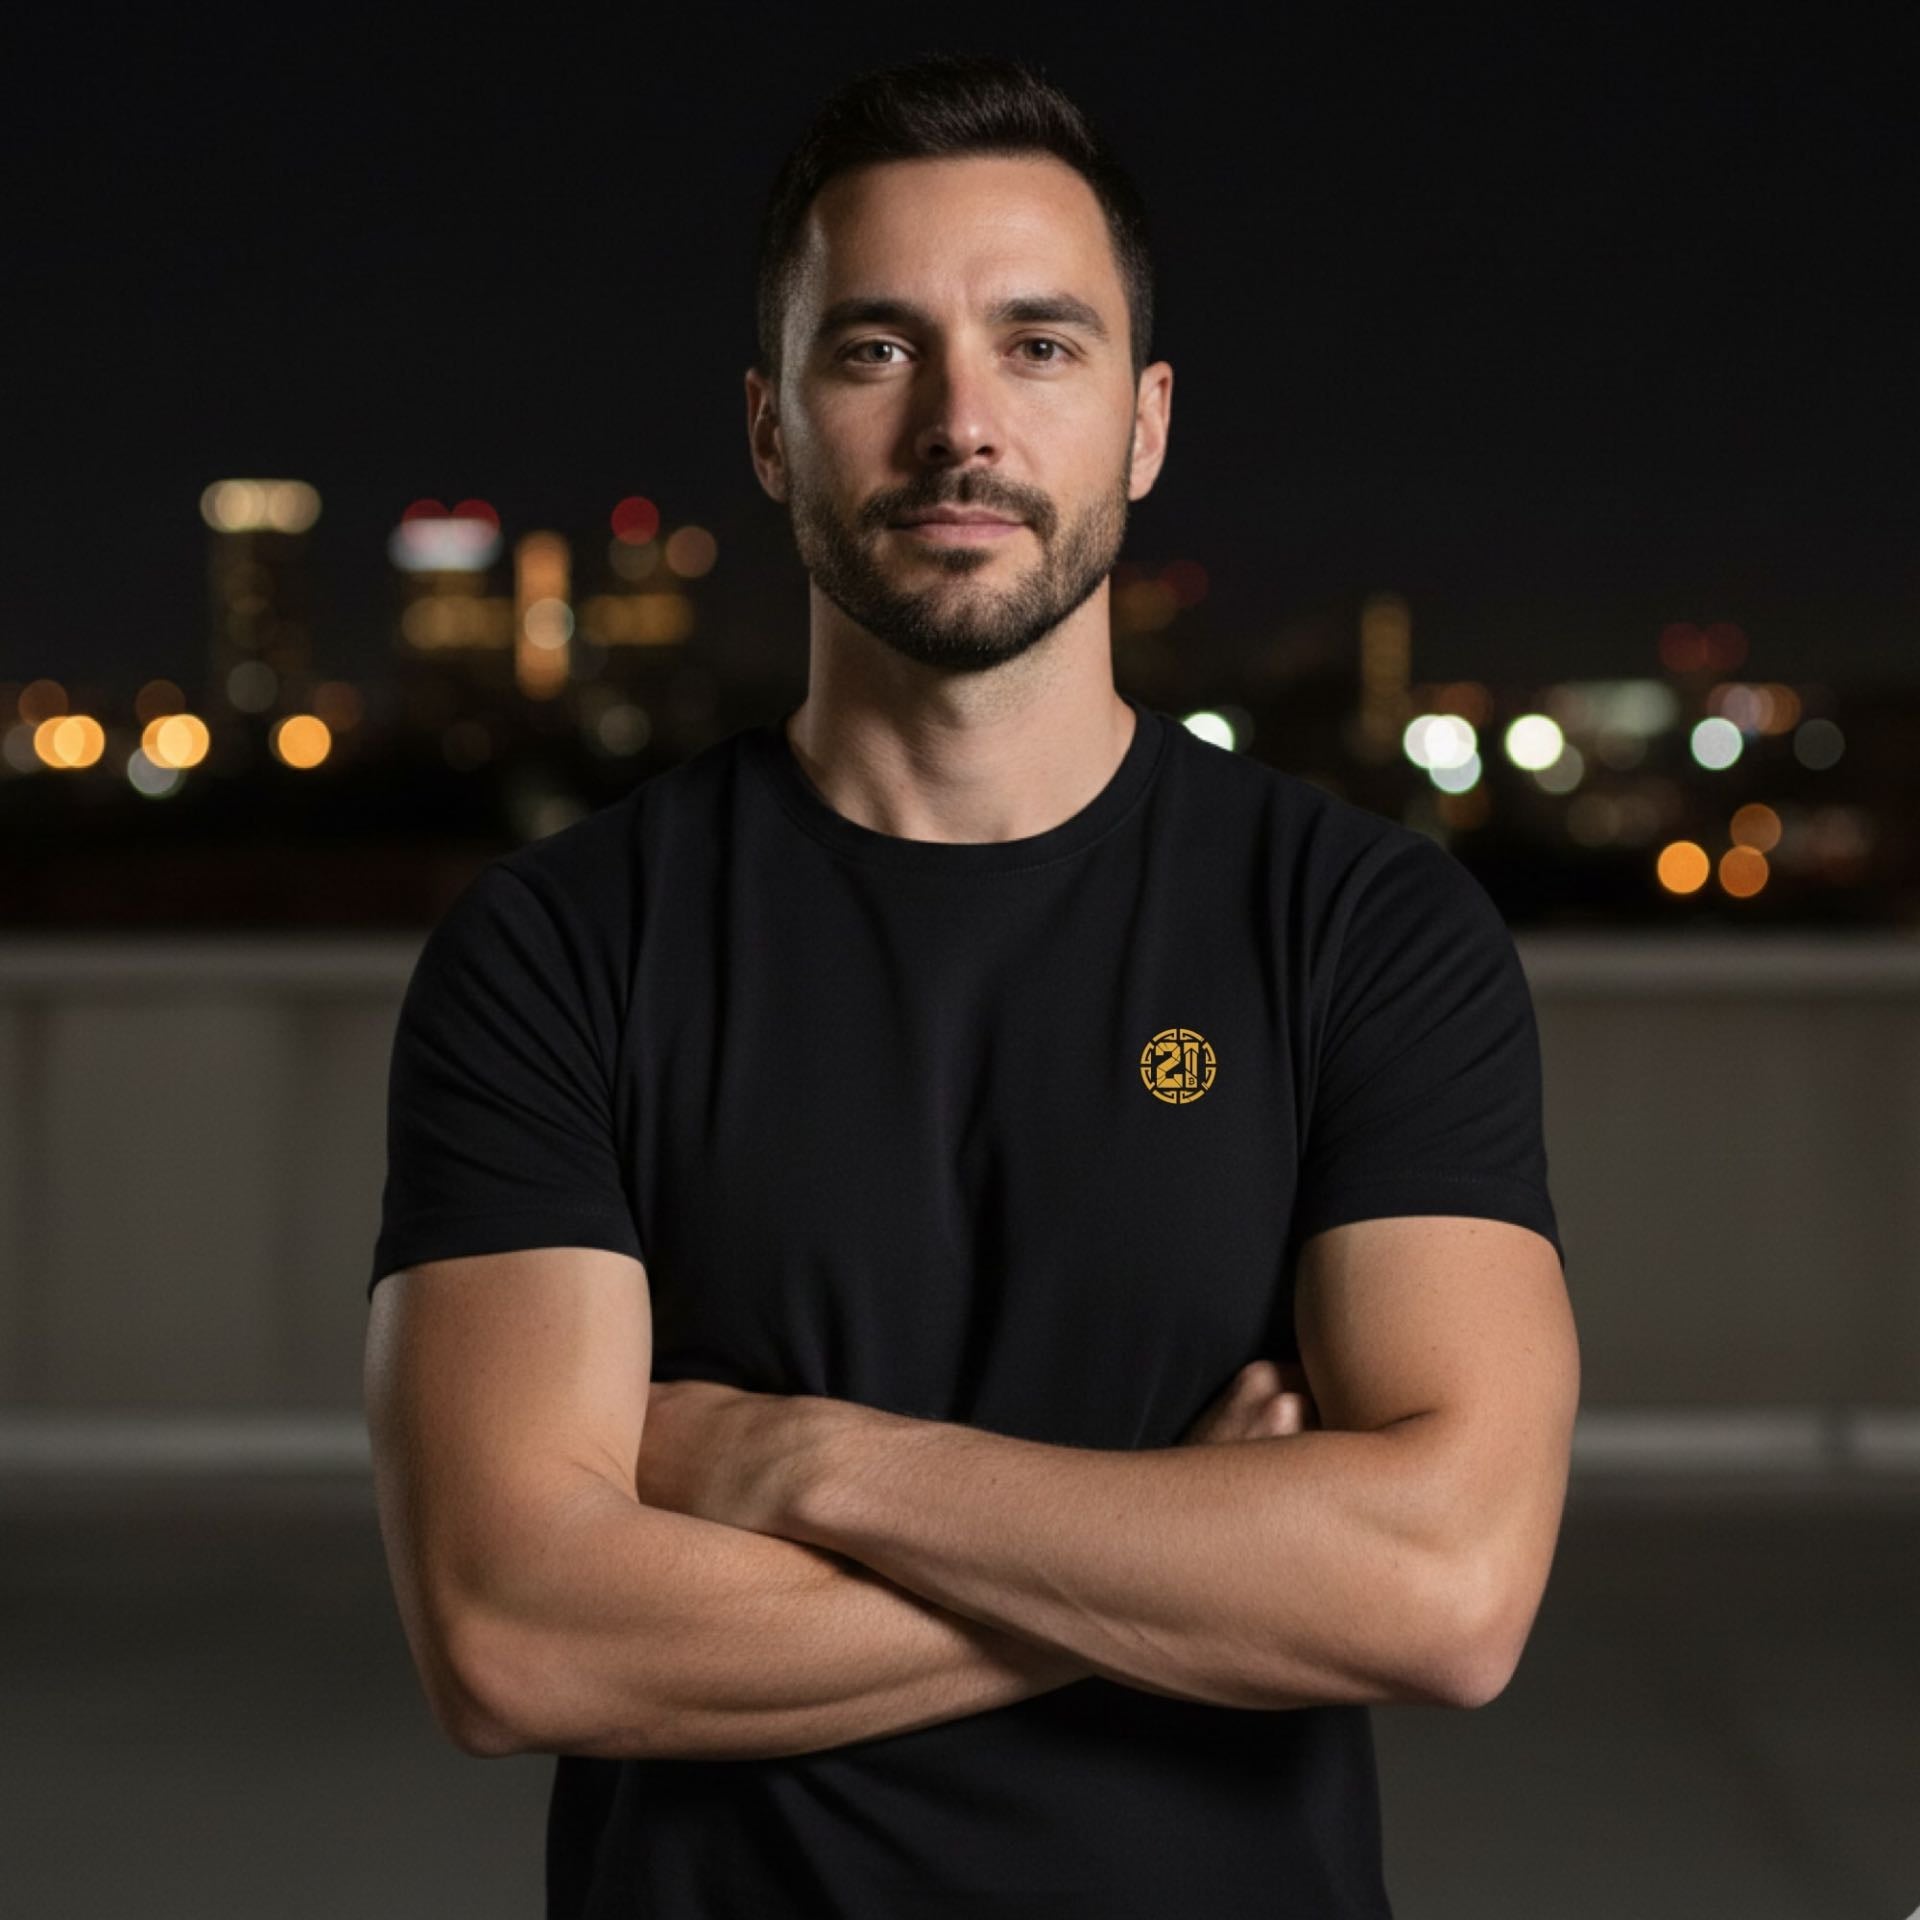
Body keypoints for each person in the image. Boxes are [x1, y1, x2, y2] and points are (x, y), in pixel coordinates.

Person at [364, 50, 1581, 1920]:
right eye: (873, 350)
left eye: (1040, 344)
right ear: (771, 427)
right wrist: (1182, 1544)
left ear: (1145, 421)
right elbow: (518, 1635)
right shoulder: (558, 950)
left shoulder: (1358, 927)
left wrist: (795, 1461)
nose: (961, 426)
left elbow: (1447, 1591)